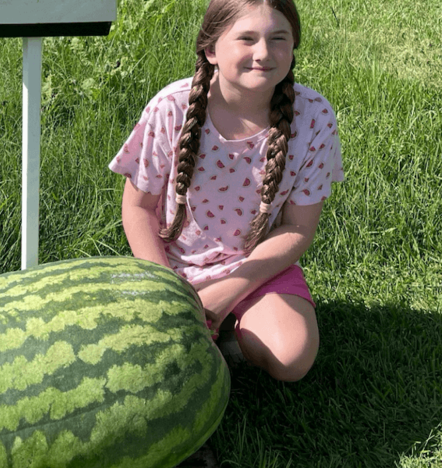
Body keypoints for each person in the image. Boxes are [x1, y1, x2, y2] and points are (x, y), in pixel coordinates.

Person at [109, 0, 344, 384]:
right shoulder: (172, 108)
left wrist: (224, 296)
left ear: (294, 45)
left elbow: (298, 229)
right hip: (174, 268)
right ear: (212, 49)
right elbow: (138, 209)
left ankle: (234, 332)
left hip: (258, 267)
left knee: (292, 358)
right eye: (247, 39)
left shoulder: (315, 117)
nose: (264, 53)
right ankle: (221, 336)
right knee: (136, 370)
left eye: (278, 38)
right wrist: (168, 292)